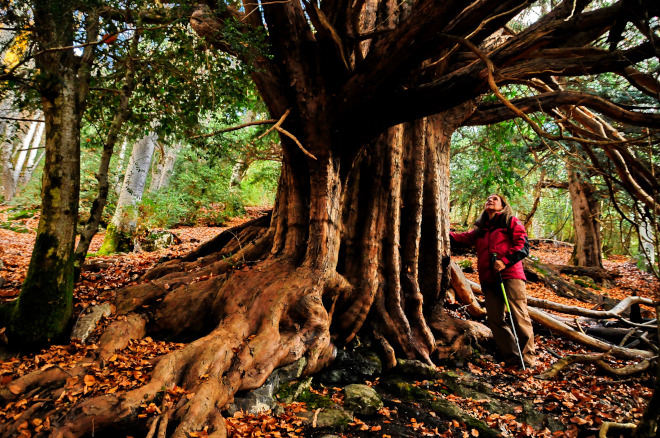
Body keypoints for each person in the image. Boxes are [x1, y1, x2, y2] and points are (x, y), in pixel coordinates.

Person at [450, 194, 535, 368]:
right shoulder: (481, 230)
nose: (490, 200)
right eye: (488, 198)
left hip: (510, 276)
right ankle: (512, 358)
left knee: (519, 316)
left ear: (503, 206)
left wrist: (505, 261)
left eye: (495, 199)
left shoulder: (510, 222)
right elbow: (460, 238)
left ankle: (528, 360)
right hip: (488, 278)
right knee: (495, 319)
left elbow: (523, 246)